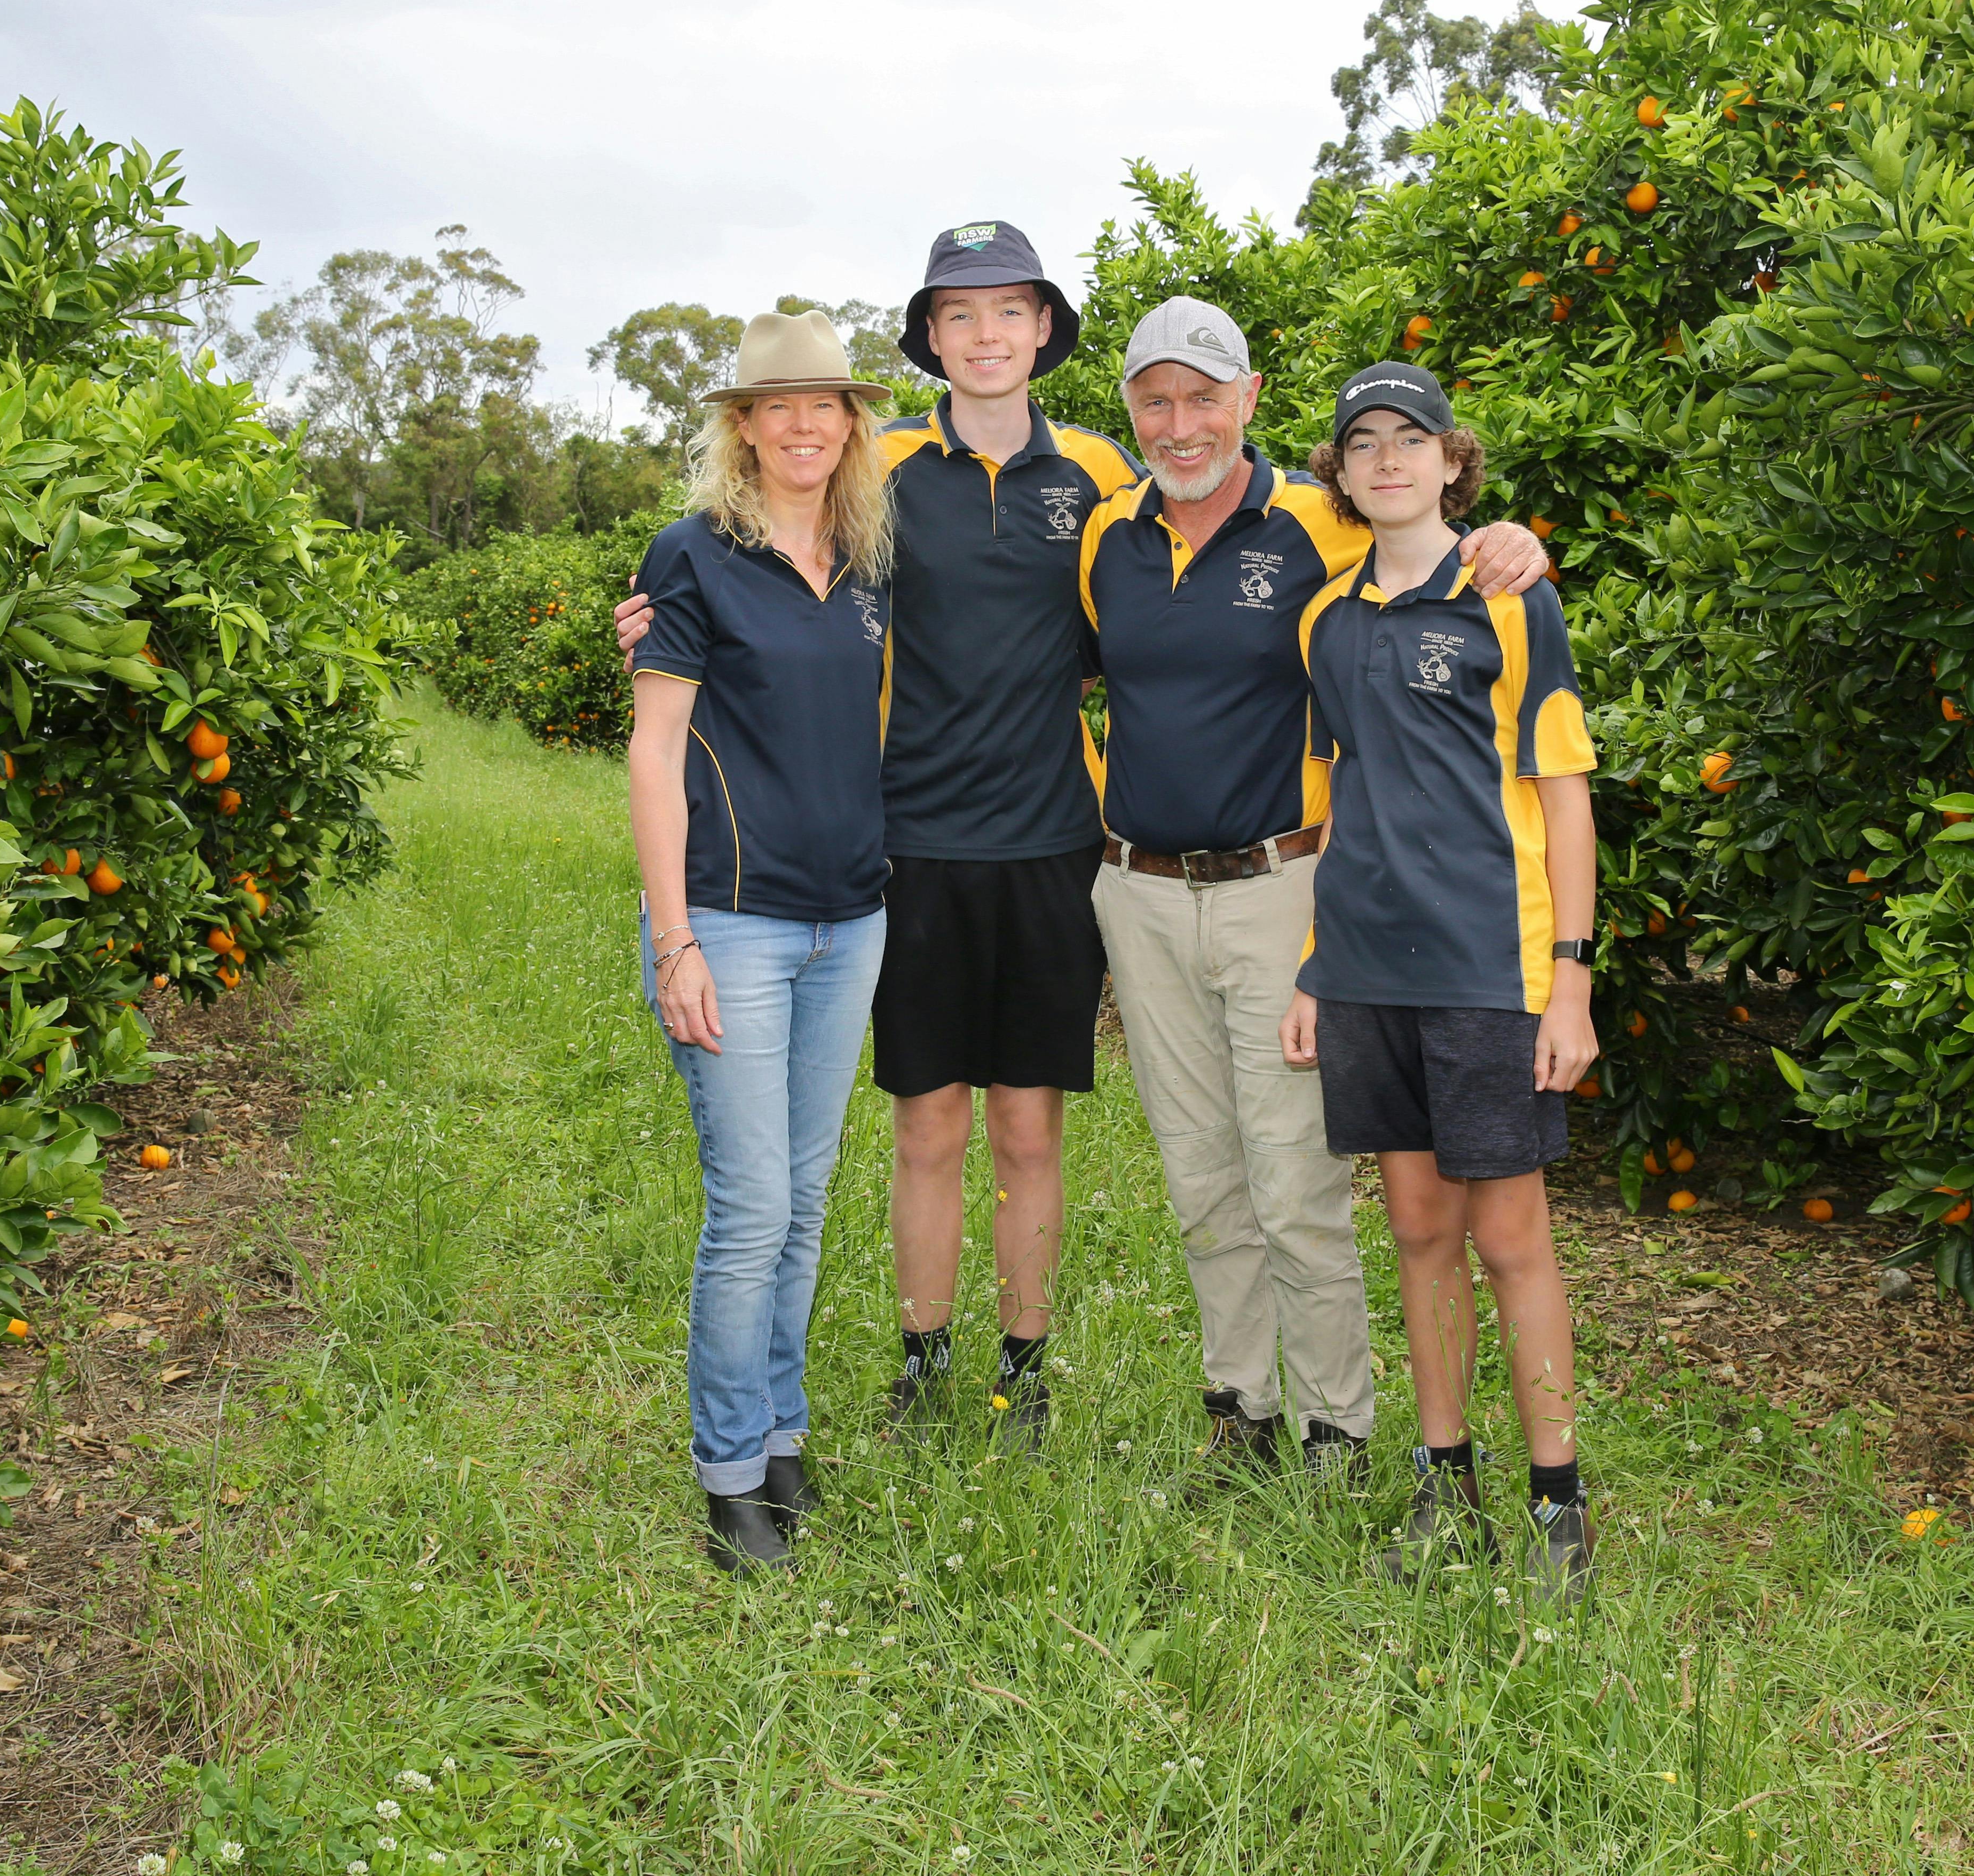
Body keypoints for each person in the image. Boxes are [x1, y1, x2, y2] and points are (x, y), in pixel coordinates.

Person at [621, 229, 1134, 1450]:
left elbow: (1232, 525)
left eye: (1011, 309)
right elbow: (755, 579)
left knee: (1029, 1124)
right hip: (906, 844)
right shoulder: (884, 466)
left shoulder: (1108, 471)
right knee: (929, 1122)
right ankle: (924, 1356)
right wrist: (655, 619)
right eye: (962, 315)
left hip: (1056, 841)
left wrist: (1481, 536)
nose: (989, 334)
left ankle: (1025, 1367)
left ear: (1046, 328)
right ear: (932, 340)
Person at [1078, 300, 1547, 1495]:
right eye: (1154, 399)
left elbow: (1428, 547)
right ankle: (1242, 1405)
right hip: (1139, 889)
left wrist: (1514, 539)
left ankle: (1338, 1430)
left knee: (1292, 1179)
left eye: (1203, 397)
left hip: (1281, 885)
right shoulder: (1104, 538)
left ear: (1248, 398)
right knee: (1200, 1173)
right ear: (1129, 407)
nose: (1178, 425)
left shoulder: (1322, 519)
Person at [1278, 360, 1601, 1593]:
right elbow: (1340, 795)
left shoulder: (1512, 597)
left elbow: (1565, 800)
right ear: (1343, 475)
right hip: (1367, 969)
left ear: (1452, 460)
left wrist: (1568, 978)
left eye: (1412, 437)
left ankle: (1558, 1498)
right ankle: (1443, 1475)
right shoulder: (1328, 618)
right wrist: (1317, 964)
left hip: (1489, 967)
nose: (1389, 458)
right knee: (1417, 1229)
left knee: (1512, 1233)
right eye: (1364, 442)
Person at [626, 309, 896, 1571]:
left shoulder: (871, 562)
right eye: (777, 405)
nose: (803, 424)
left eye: (824, 404)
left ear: (852, 423)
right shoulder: (691, 556)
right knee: (750, 1209)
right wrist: (672, 937)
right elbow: (656, 747)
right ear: (742, 423)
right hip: (729, 920)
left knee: (806, 1197)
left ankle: (783, 1428)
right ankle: (732, 1468)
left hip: (853, 918)